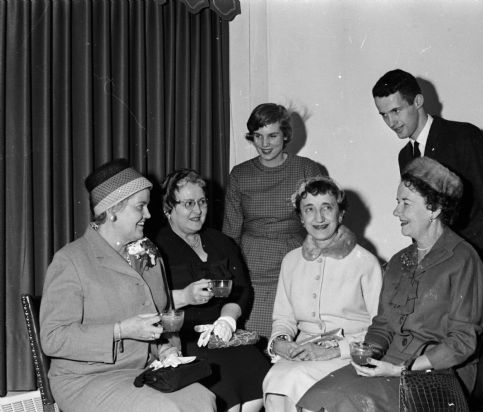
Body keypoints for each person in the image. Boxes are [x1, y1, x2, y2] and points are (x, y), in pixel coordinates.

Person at [298, 157, 483, 412]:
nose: (396, 211)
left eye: (406, 203)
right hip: (389, 365)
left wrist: (405, 369)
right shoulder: (400, 261)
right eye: (397, 202)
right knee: (317, 398)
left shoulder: (464, 259)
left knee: (349, 404)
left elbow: (462, 342)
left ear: (434, 209)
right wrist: (370, 355)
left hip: (438, 378)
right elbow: (383, 324)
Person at [40, 159, 216, 412]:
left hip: (142, 370)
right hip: (86, 379)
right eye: (140, 207)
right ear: (113, 210)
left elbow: (159, 318)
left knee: (203, 400)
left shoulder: (148, 254)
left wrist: (165, 349)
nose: (149, 215)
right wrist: (120, 330)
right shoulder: (72, 260)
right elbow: (52, 338)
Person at [372, 68, 483, 288]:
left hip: (479, 270)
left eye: (396, 110)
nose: (391, 121)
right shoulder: (406, 156)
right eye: (384, 114)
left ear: (418, 101)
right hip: (437, 275)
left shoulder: (463, 136)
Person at [262, 176, 383, 412]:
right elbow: (284, 319)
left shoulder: (365, 262)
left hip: (347, 355)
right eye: (309, 210)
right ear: (301, 217)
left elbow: (380, 329)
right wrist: (280, 343)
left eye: (327, 208)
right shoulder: (291, 261)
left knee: (299, 383)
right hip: (301, 353)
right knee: (275, 382)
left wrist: (335, 350)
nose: (318, 218)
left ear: (340, 213)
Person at [154, 169, 270, 412]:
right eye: (188, 204)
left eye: (202, 202)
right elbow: (146, 302)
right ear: (168, 209)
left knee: (260, 376)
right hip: (184, 341)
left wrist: (227, 320)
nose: (197, 211)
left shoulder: (221, 242)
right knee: (224, 392)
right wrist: (184, 297)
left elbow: (241, 290)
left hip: (225, 338)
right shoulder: (156, 248)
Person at [223, 103, 323, 339]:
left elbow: (323, 223)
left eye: (272, 136)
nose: (264, 144)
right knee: (255, 344)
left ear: (285, 135)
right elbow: (230, 231)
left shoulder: (306, 169)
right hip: (251, 268)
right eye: (258, 136)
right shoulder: (240, 174)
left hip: (295, 263)